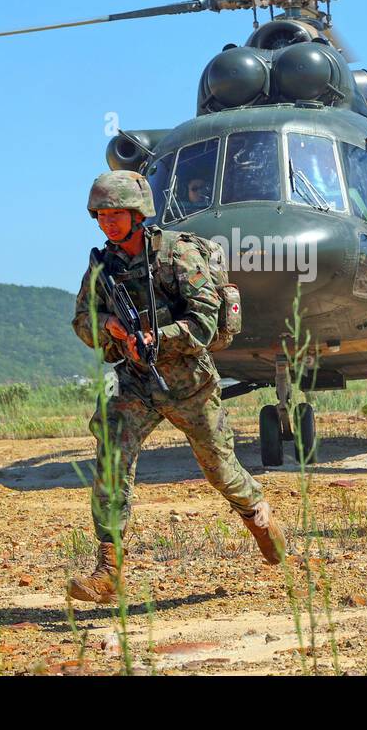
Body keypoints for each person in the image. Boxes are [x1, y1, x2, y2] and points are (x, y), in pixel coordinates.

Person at [66, 170, 284, 603]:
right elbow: (81, 322)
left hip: (189, 383)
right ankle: (108, 570)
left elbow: (204, 324)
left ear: (137, 214)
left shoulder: (178, 256)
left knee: (218, 470)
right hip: (134, 381)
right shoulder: (102, 266)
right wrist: (110, 326)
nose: (108, 223)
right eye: (102, 215)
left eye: (117, 214)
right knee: (111, 455)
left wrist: (157, 337)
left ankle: (259, 518)